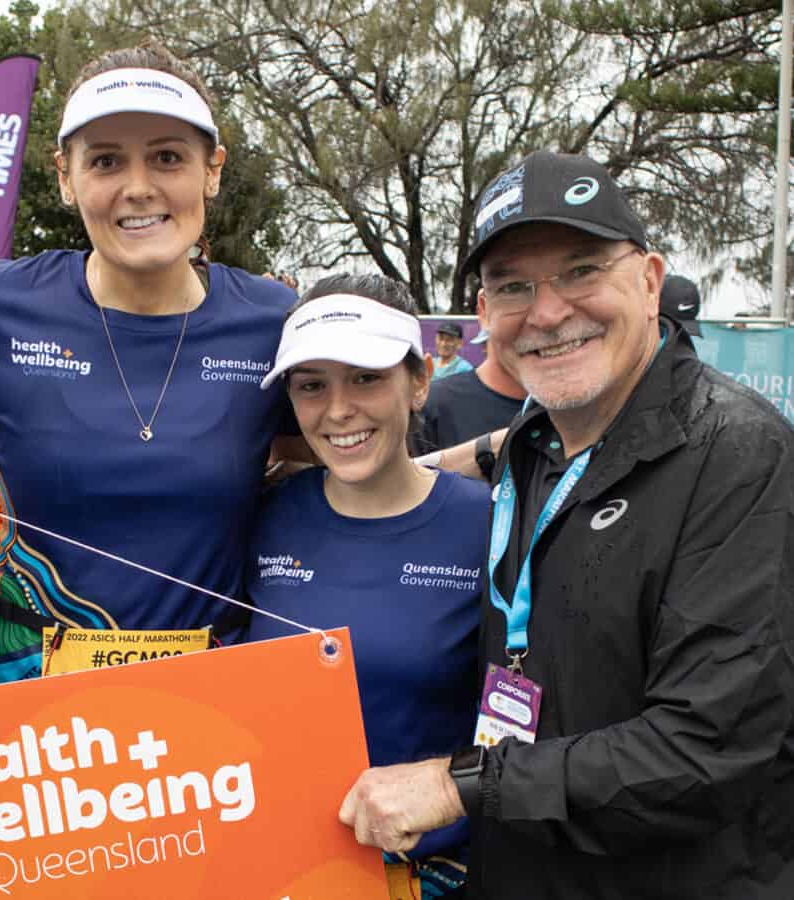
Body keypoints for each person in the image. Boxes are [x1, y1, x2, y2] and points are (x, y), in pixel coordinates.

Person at [338, 150, 794, 898]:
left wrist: (461, 786)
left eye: (581, 270)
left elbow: (705, 749)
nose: (548, 312)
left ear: (649, 282)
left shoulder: (739, 456)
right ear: (483, 318)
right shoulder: (533, 441)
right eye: (514, 285)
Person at [0, 40, 301, 683]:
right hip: (28, 702)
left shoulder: (270, 321)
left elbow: (350, 479)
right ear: (65, 176)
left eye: (168, 158)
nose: (138, 188)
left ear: (213, 170)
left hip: (213, 702)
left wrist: (486, 454)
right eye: (107, 160)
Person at [248, 274, 488, 898]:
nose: (338, 410)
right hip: (282, 873)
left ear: (420, 381)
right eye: (311, 386)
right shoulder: (261, 515)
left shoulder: (489, 524)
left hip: (440, 877)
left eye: (365, 377)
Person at [410, 307, 525, 462]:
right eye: (441, 338)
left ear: (459, 343)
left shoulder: (464, 369)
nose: (444, 343)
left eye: (449, 339)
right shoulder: (433, 376)